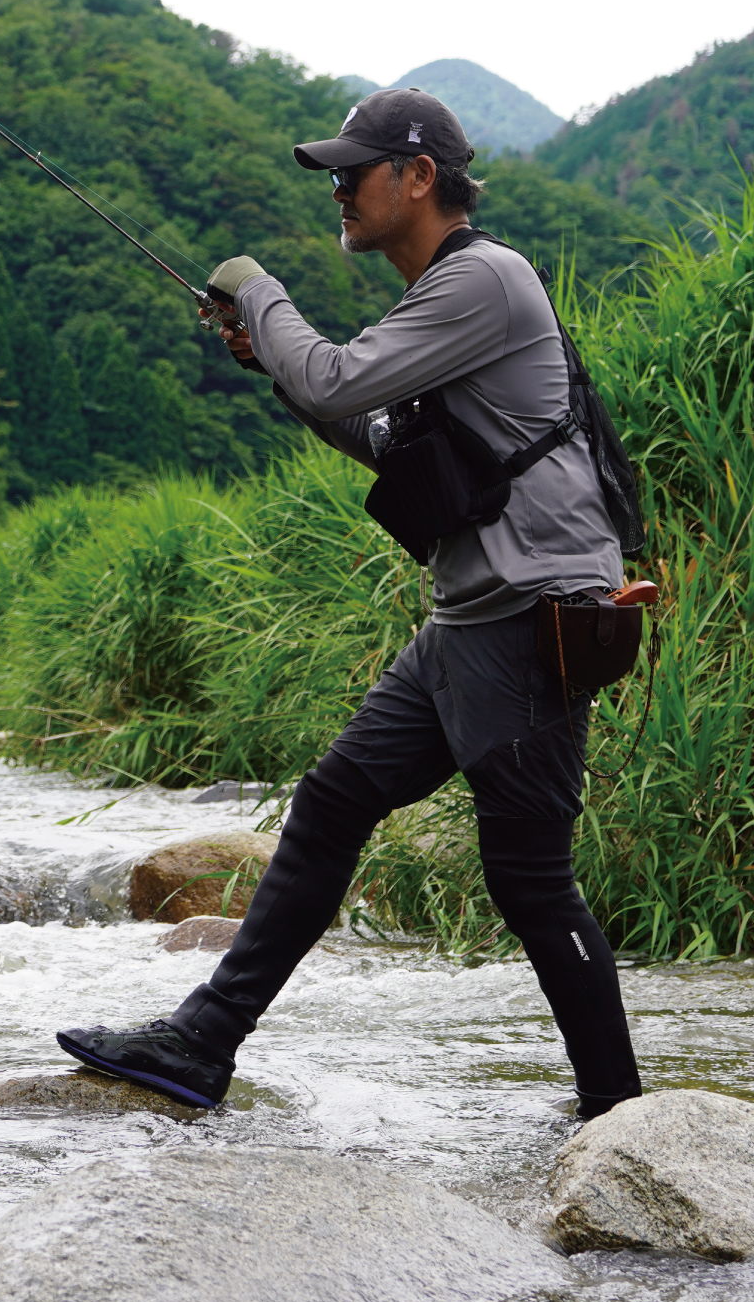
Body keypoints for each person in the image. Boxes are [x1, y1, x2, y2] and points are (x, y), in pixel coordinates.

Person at [56, 87, 645, 1121]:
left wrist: (257, 290)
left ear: (418, 178)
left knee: (529, 881)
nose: (338, 189)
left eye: (352, 171)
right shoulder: (437, 303)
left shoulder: (487, 281)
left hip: (531, 620)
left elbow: (335, 380)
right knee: (333, 805)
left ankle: (620, 1115)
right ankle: (203, 1042)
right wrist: (278, 370)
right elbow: (373, 434)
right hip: (472, 620)